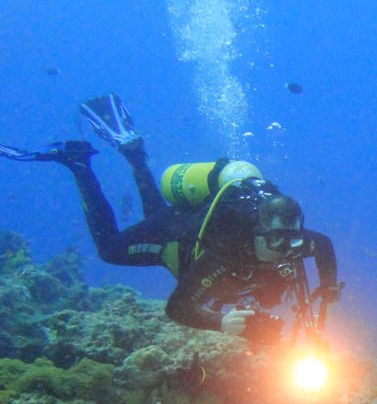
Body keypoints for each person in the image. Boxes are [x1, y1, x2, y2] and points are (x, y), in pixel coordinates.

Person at [0, 94, 341, 344]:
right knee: (111, 249)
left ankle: (134, 154)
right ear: (257, 231)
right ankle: (79, 164)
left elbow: (322, 245)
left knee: (158, 214)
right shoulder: (221, 254)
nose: (287, 250)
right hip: (176, 236)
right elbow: (178, 308)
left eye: (294, 241)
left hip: (185, 219)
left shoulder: (292, 238)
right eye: (278, 242)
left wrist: (326, 286)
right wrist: (222, 323)